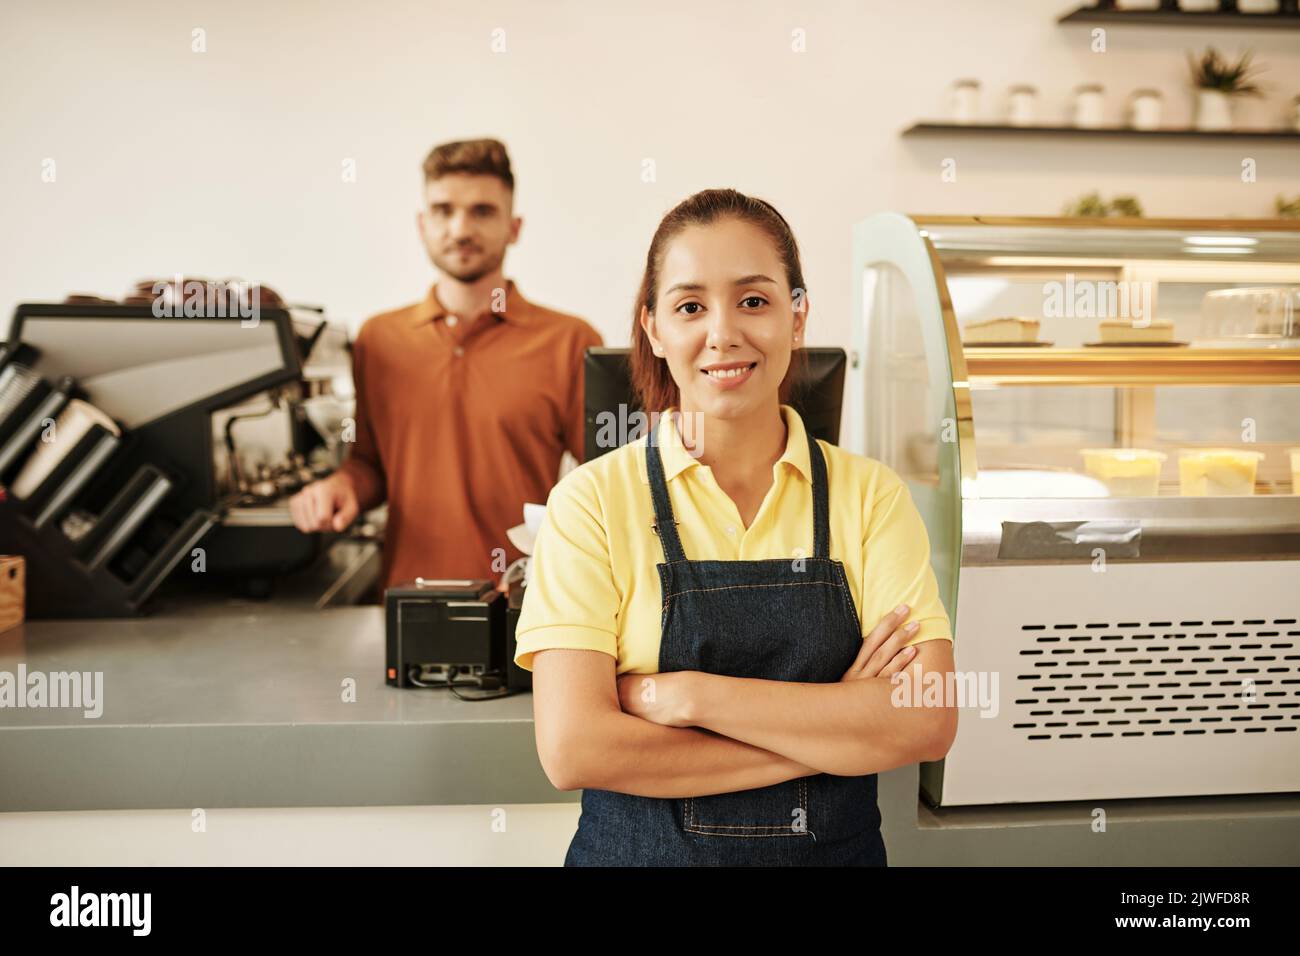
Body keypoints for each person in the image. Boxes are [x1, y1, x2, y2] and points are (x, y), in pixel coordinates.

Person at [513, 188, 957, 866]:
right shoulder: (591, 505)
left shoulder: (871, 499)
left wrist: (690, 696)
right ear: (654, 329)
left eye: (754, 301)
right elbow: (575, 749)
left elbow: (926, 717)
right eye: (690, 306)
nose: (723, 332)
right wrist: (832, 727)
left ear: (798, 316)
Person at [289, 138, 603, 589]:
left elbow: (609, 480)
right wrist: (342, 487)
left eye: (482, 211)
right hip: (406, 601)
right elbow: (370, 464)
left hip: (525, 607)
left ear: (514, 228)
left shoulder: (570, 341)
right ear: (422, 224)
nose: (460, 228)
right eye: (443, 210)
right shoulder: (379, 339)